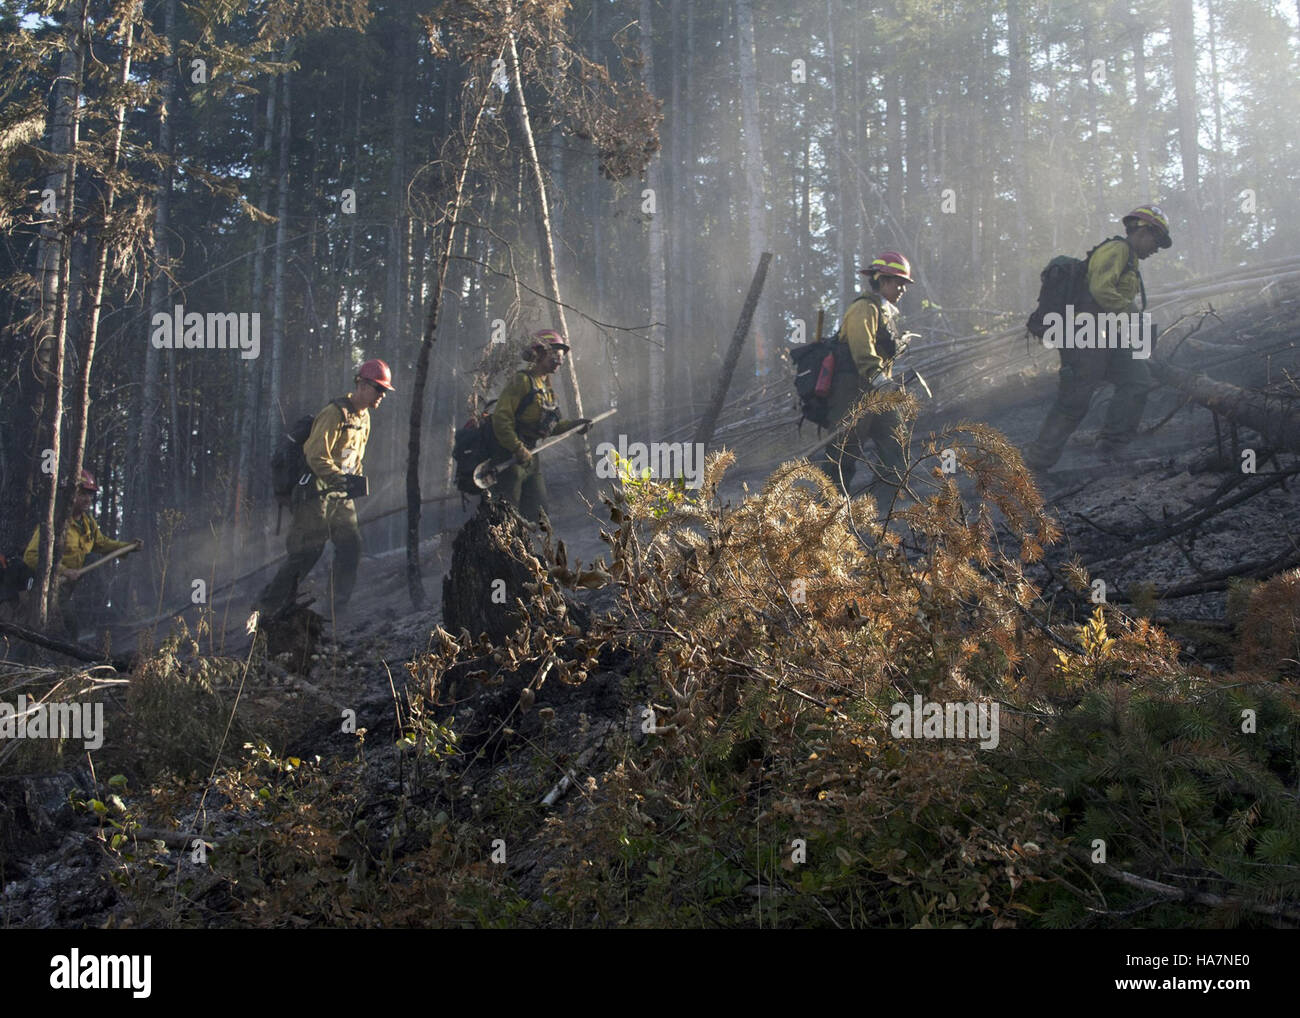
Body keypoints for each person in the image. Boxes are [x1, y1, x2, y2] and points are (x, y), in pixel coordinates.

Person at [1024, 205, 1172, 470]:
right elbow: (1101, 290)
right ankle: (1035, 464)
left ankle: (1111, 448)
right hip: (1084, 333)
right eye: (1156, 240)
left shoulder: (1130, 259)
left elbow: (1112, 302)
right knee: (1074, 401)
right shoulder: (1118, 250)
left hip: (1104, 334)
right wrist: (1134, 315)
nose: (1157, 248)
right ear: (1142, 231)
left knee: (1137, 379)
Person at [255, 358, 393, 618]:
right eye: (378, 388)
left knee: (351, 547)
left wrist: (356, 478)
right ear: (362, 385)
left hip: (340, 493)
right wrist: (339, 478)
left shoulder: (364, 419)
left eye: (384, 391)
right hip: (314, 491)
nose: (382, 395)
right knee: (306, 552)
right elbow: (315, 454)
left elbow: (354, 457)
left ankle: (335, 608)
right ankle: (266, 609)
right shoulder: (334, 413)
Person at [821, 251, 915, 498]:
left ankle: (887, 509)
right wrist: (878, 377)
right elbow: (862, 347)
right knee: (843, 453)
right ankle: (825, 514)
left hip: (878, 391)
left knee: (896, 443)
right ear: (882, 280)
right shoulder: (864, 308)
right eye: (898, 283)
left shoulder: (884, 312)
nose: (902, 289)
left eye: (904, 284)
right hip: (853, 391)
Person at [21, 469, 142, 638]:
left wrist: (128, 546)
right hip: (46, 590)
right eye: (83, 493)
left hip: (69, 588)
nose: (88, 499)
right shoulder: (53, 522)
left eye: (90, 494)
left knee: (71, 626)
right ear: (69, 494)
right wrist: (63, 571)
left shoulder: (87, 523)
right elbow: (30, 556)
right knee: (66, 627)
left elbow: (101, 544)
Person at [489, 330, 590, 522]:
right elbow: (501, 419)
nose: (559, 361)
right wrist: (517, 448)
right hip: (508, 457)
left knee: (539, 516)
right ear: (539, 354)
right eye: (554, 355)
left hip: (531, 457)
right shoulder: (522, 381)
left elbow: (548, 427)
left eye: (561, 357)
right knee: (506, 517)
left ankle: (530, 550)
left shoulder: (546, 388)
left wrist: (575, 426)